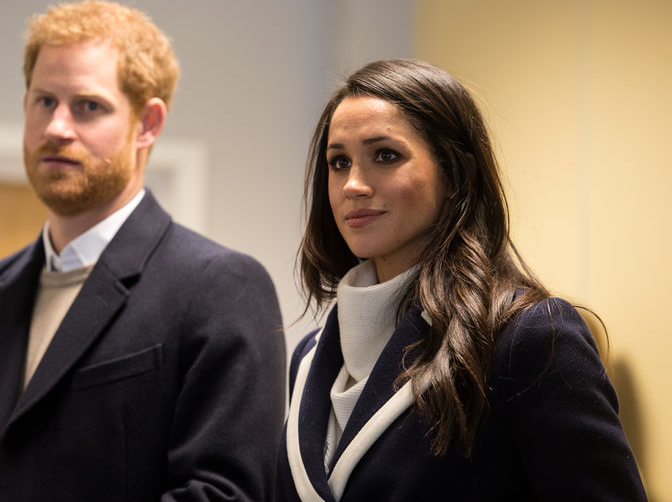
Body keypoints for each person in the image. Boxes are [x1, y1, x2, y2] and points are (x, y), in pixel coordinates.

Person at [0, 0, 286, 502]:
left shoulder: (219, 287)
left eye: (88, 106)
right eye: (44, 100)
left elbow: (222, 494)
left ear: (148, 124)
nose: (56, 128)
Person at [276, 59, 647, 501]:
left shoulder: (529, 338)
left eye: (385, 156)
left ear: (454, 173)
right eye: (338, 162)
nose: (353, 184)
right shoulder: (310, 356)